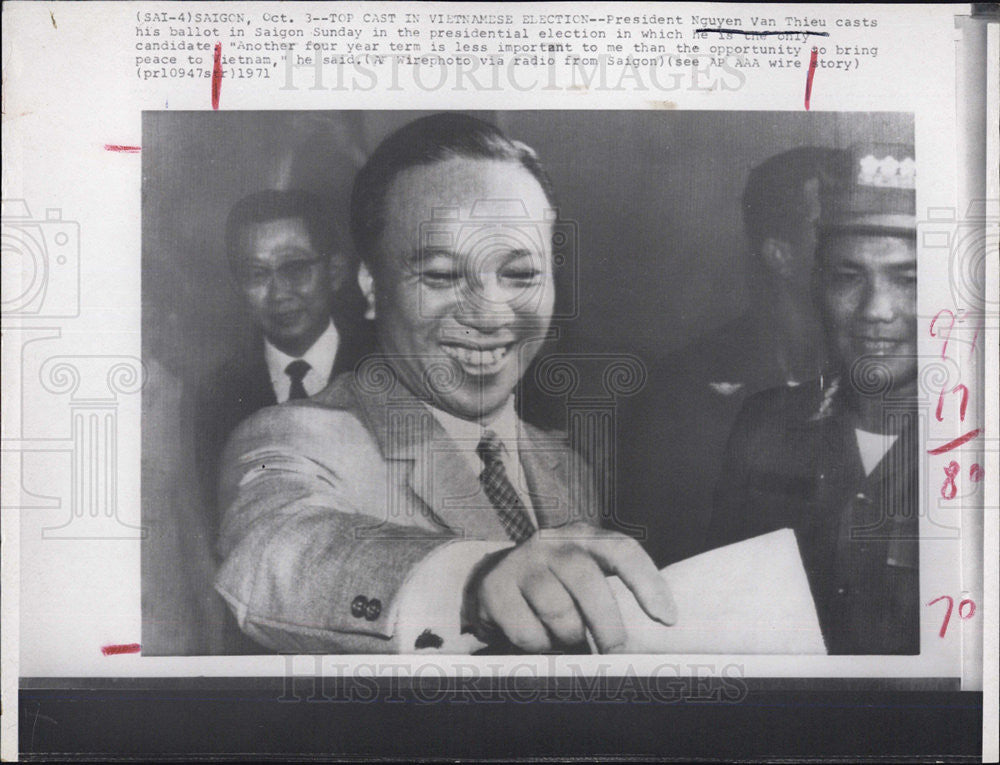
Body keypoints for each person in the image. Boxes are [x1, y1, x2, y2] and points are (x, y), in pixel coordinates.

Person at [213, 113, 676, 654]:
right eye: (441, 275)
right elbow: (275, 552)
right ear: (370, 285)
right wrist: (474, 581)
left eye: (520, 274)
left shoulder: (565, 468)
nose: (488, 314)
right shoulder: (294, 436)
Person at [709, 142, 919, 654]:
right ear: (817, 286)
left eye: (909, 280)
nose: (876, 310)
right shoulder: (765, 424)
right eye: (849, 278)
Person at [616, 147, 842, 566]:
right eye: (829, 228)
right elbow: (662, 554)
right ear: (780, 254)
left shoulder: (893, 373)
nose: (851, 240)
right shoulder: (682, 390)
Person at [193, 189, 374, 530]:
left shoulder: (382, 366)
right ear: (237, 286)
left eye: (295, 268)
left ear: (334, 272)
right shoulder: (220, 396)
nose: (279, 293)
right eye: (257, 274)